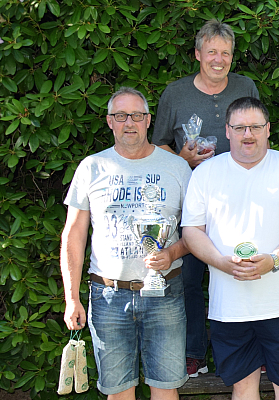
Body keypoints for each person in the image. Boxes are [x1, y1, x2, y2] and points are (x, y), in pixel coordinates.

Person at [181, 97, 279, 400]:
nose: (249, 134)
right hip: (229, 307)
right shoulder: (205, 173)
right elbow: (191, 231)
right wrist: (220, 262)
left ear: (268, 129)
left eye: (256, 127)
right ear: (227, 131)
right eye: (240, 127)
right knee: (243, 388)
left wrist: (274, 259)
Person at [61, 87, 192, 400]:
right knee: (118, 391)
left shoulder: (177, 168)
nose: (129, 122)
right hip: (107, 295)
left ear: (148, 120)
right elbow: (73, 234)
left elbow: (198, 231)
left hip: (165, 292)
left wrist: (171, 252)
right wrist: (71, 297)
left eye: (136, 115)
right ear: (109, 122)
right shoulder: (91, 167)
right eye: (121, 116)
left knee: (165, 388)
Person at [151, 19, 259, 377]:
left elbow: (256, 135)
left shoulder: (246, 87)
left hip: (242, 199)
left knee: (244, 269)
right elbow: (159, 145)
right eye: (211, 52)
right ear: (198, 54)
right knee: (190, 278)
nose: (218, 59)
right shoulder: (175, 93)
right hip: (193, 203)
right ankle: (194, 352)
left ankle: (250, 353)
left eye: (225, 53)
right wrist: (181, 160)